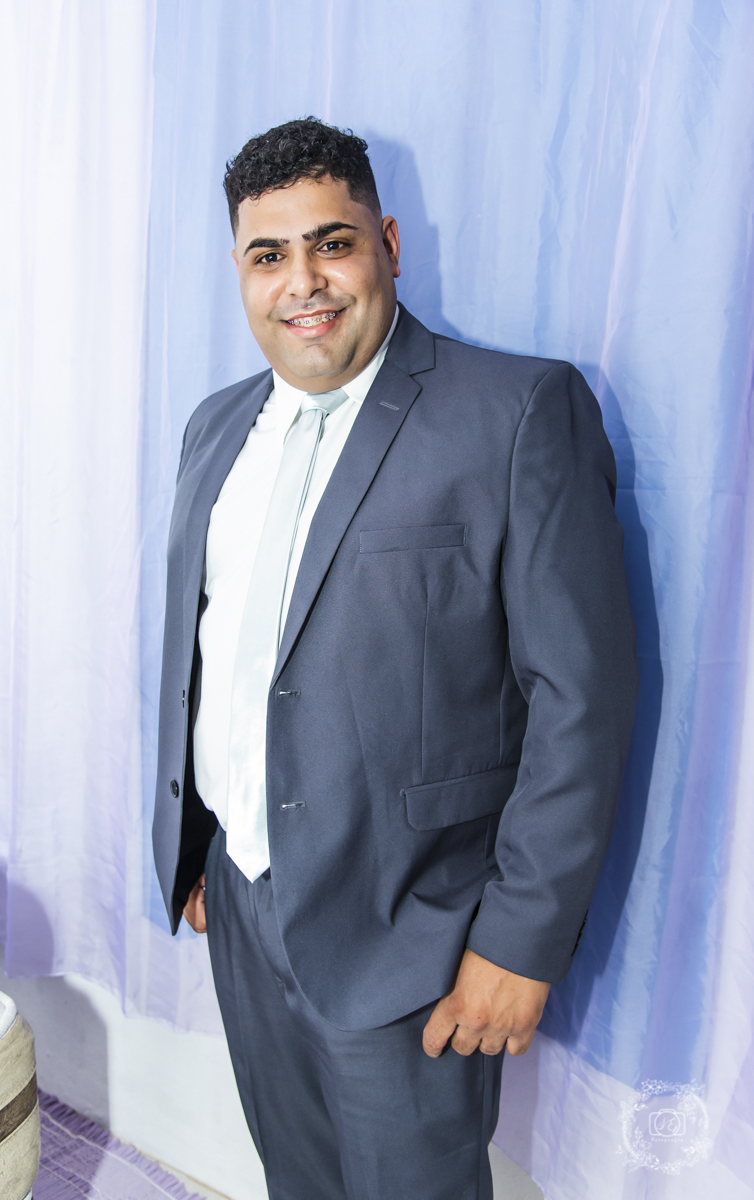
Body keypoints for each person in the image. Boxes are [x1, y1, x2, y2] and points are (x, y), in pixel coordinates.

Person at [152, 117, 638, 1200]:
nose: (302, 283)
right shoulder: (213, 429)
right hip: (240, 903)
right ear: (239, 270)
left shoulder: (514, 412)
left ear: (389, 244)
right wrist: (200, 845)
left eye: (332, 243)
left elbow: (581, 698)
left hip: (409, 933)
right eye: (268, 256)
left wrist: (519, 942)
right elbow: (212, 653)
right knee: (298, 1182)